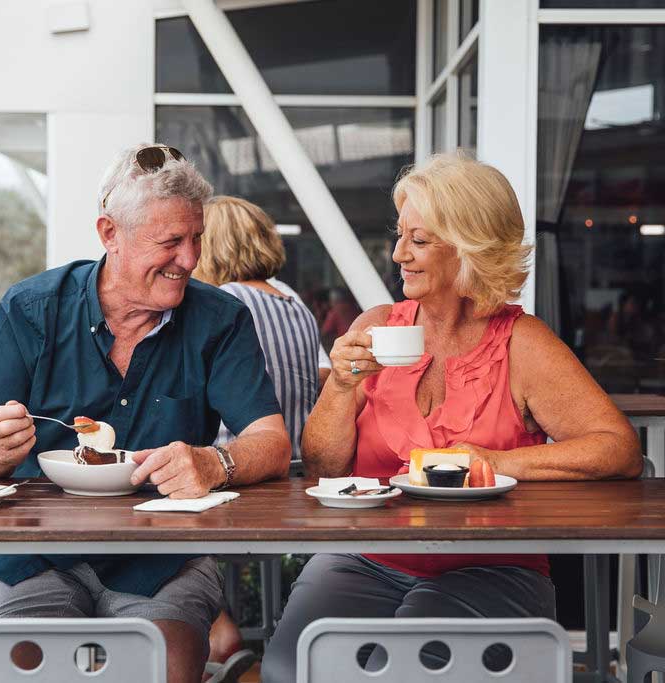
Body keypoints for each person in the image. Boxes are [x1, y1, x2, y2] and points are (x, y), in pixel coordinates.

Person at [261, 151, 642, 682]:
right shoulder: (376, 327)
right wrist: (342, 388)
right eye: (400, 237)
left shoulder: (521, 343)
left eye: (418, 240)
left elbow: (618, 449)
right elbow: (324, 470)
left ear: (470, 247)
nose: (397, 254)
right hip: (367, 557)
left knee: (410, 670)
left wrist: (494, 460)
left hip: (492, 563)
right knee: (291, 668)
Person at [0, 143, 291, 683]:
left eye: (197, 238)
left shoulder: (220, 319)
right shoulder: (31, 308)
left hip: (164, 557)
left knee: (162, 668)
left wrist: (215, 463)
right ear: (110, 234)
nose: (190, 259)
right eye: (171, 242)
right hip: (34, 553)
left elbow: (272, 441)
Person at [193, 195, 323, 679]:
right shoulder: (294, 302)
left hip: (242, 472)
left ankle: (216, 628)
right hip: (292, 479)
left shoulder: (225, 304)